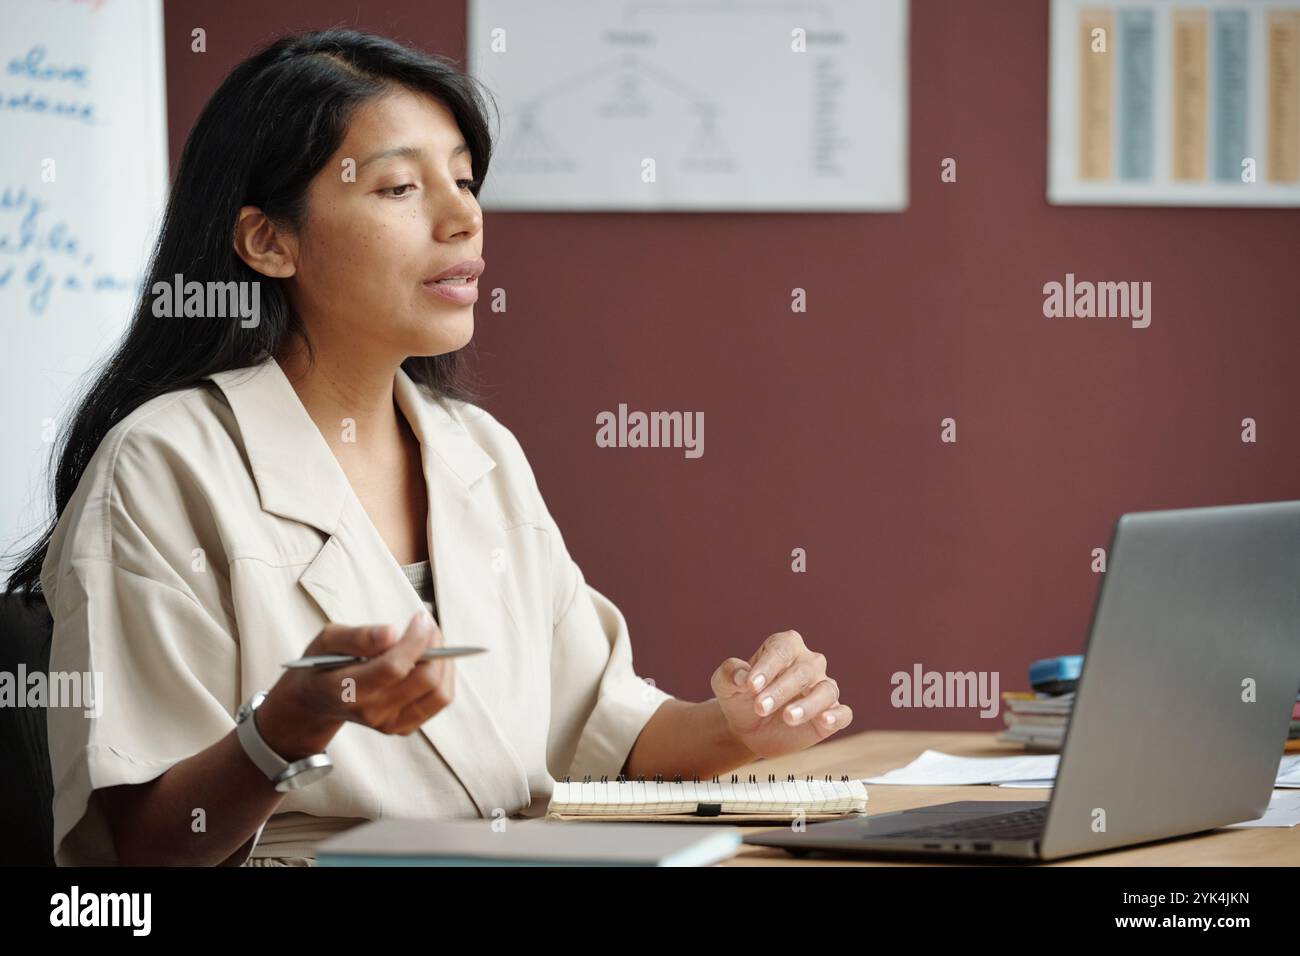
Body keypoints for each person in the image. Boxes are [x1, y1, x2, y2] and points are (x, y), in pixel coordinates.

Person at [5, 28, 852, 867]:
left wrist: (741, 722)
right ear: (268, 240)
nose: (463, 218)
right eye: (399, 188)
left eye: (463, 180)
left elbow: (608, 735)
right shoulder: (162, 464)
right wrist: (283, 731)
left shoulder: (476, 448)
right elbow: (143, 854)